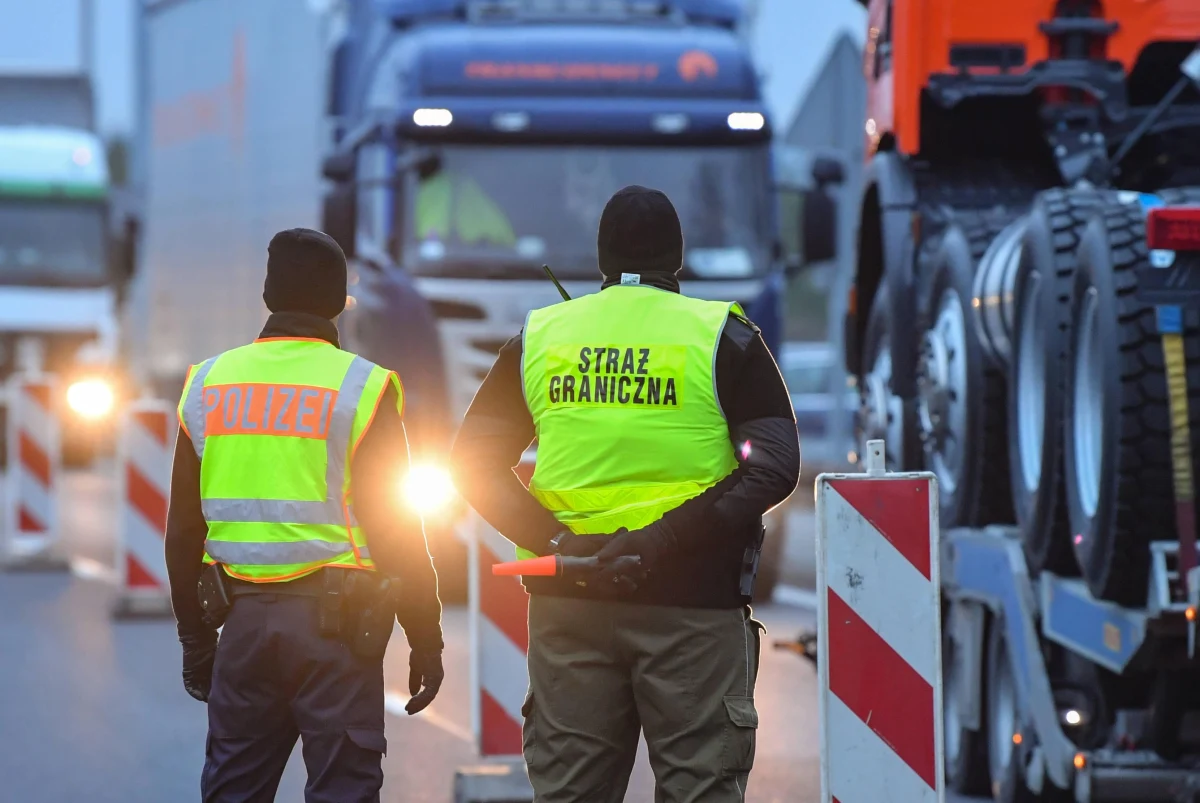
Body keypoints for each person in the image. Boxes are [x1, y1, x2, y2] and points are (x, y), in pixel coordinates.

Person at [450, 186, 801, 802]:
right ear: (679, 256)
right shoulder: (722, 337)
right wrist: (663, 538)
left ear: (601, 257)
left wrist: (560, 542)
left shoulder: (542, 337)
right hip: (693, 609)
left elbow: (471, 464)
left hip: (572, 606)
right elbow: (774, 467)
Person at [164, 228, 445, 803]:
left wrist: (195, 639)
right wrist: (425, 636)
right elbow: (396, 529)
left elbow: (184, 530)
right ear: (341, 301)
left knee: (233, 790)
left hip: (241, 626)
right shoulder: (361, 388)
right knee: (343, 789)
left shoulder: (208, 383)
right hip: (337, 635)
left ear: (268, 294)